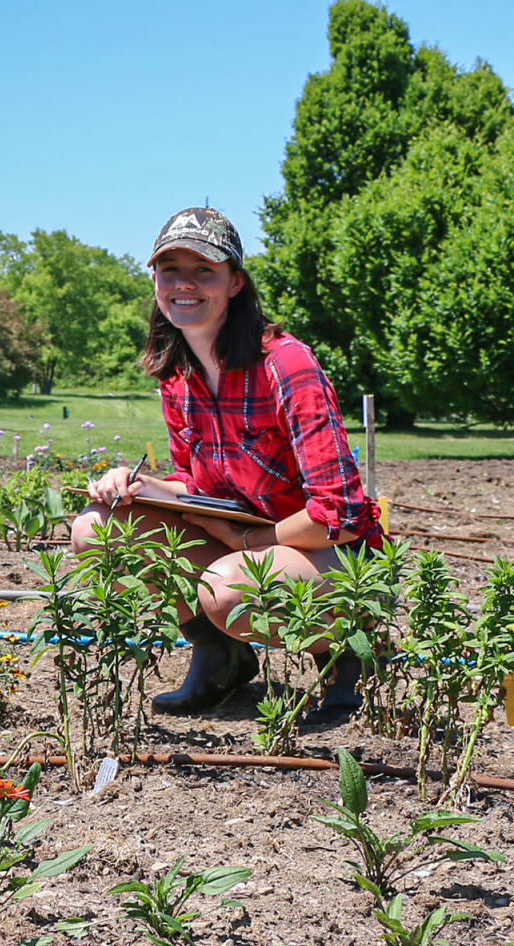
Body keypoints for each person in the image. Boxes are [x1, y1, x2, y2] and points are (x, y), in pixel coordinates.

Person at [72, 207, 384, 718]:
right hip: (248, 538)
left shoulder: (285, 365)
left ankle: (348, 653)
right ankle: (221, 657)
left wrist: (251, 542)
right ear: (155, 279)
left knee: (226, 588)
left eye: (204, 270)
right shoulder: (178, 372)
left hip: (335, 553)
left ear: (235, 282)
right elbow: (197, 486)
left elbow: (341, 514)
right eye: (170, 269)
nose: (184, 284)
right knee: (97, 528)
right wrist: (141, 485)